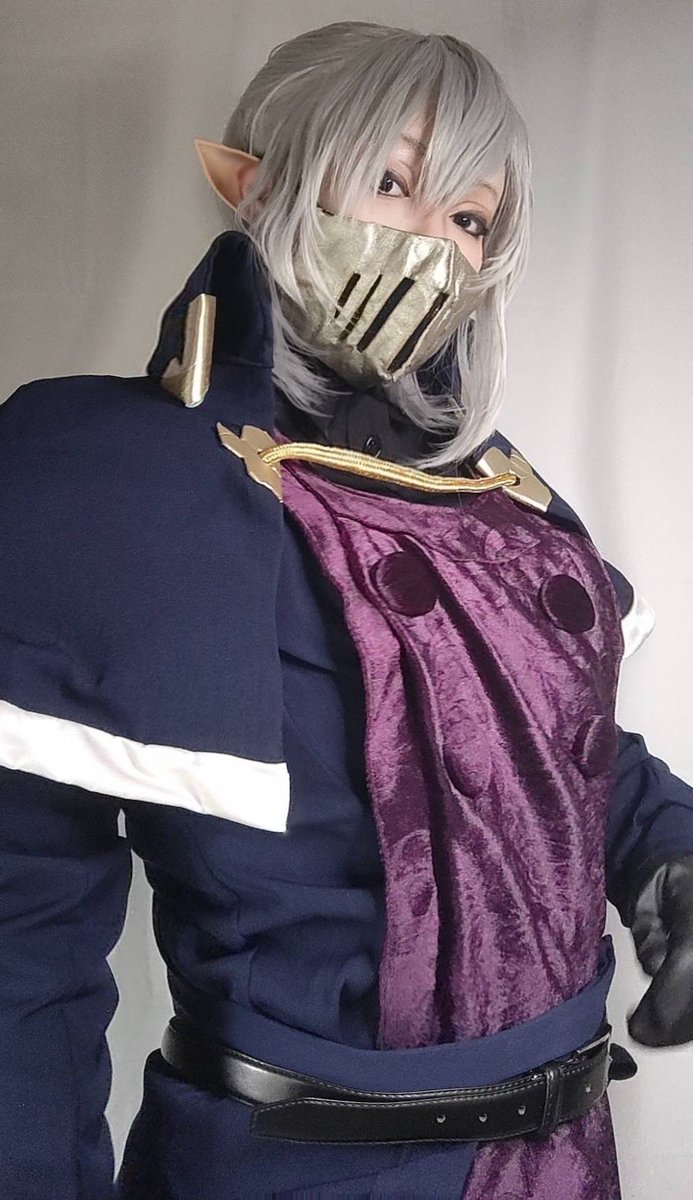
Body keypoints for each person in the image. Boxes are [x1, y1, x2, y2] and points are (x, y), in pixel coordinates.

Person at [1, 19, 692, 1200]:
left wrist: (667, 852)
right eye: (390, 181)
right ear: (251, 182)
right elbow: (19, 957)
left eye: (468, 216)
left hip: (564, 1163)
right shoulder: (109, 485)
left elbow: (554, 750)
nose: (431, 244)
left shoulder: (505, 507)